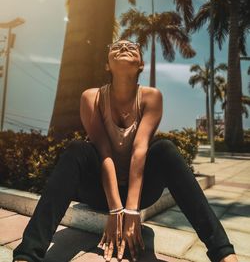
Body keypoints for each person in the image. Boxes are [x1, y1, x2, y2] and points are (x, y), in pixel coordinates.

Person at [13, 39, 238, 262]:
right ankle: (27, 254)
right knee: (77, 149)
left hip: (141, 193)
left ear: (141, 64)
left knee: (165, 149)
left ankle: (224, 254)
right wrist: (115, 209)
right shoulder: (91, 97)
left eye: (132, 46)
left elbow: (140, 150)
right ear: (107, 65)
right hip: (98, 191)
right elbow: (103, 152)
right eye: (117, 46)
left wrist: (131, 210)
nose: (124, 47)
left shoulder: (151, 97)